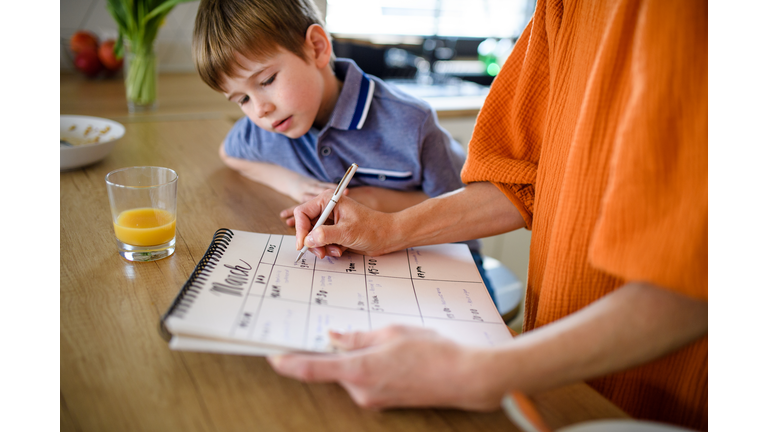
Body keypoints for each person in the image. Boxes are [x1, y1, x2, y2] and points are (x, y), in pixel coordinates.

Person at [268, 0, 708, 430]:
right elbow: (518, 181)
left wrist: (479, 372)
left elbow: (698, 279)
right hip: (555, 362)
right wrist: (390, 229)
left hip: (671, 389)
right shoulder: (560, 8)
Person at [192, 0, 497, 302]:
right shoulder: (270, 125)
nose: (260, 110)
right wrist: (292, 184)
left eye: (267, 80)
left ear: (317, 48)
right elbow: (229, 153)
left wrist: (373, 200)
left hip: (444, 265)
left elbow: (462, 210)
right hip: (356, 278)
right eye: (242, 99)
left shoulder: (410, 122)